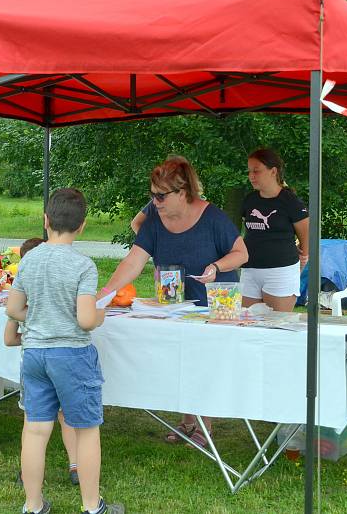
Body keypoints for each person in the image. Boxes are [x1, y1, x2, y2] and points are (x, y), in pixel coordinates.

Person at [99, 155, 248, 448]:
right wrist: (105, 292)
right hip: (173, 303)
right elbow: (133, 262)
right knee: (180, 358)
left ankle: (204, 426)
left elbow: (241, 253)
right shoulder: (155, 220)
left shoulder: (213, 217)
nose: (155, 202)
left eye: (161, 196)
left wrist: (216, 267)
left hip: (211, 302)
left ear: (183, 193)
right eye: (152, 195)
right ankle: (186, 422)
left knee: (203, 361)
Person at [6, 188, 123, 514]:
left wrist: (42, 316)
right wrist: (101, 313)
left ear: (46, 220)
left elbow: (14, 309)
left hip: (34, 355)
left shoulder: (29, 259)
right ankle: (91, 506)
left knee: (35, 429)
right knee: (85, 431)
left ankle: (32, 505)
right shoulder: (83, 266)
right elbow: (86, 319)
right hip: (71, 356)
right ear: (82, 226)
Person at [4, 236, 80, 487]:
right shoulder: (65, 293)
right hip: (64, 358)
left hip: (33, 359)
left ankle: (28, 474)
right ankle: (76, 466)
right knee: (66, 416)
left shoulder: (23, 299)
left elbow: (9, 338)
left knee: (34, 422)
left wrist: (28, 334)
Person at [240, 148, 308, 312]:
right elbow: (245, 232)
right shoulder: (250, 200)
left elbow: (307, 234)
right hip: (250, 269)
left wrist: (303, 258)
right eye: (249, 171)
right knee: (247, 323)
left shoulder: (290, 201)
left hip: (281, 271)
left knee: (278, 326)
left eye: (256, 171)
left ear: (273, 171)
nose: (251, 176)